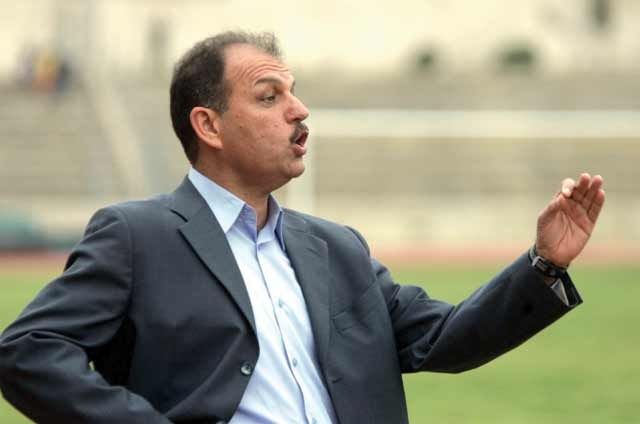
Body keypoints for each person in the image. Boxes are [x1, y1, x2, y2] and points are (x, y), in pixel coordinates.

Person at [0, 31, 605, 424]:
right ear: (208, 126)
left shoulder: (338, 248)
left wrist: (544, 264)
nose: (299, 109)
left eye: (294, 92)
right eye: (269, 96)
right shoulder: (136, 237)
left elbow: (443, 338)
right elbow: (28, 351)